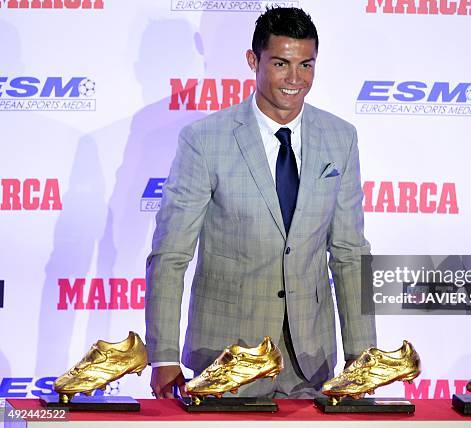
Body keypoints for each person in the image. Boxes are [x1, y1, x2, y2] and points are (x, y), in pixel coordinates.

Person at [145, 7, 376, 399]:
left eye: (306, 65)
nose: (295, 79)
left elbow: (351, 254)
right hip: (225, 360)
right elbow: (171, 253)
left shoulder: (342, 138)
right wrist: (163, 356)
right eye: (281, 63)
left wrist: (362, 355)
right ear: (253, 60)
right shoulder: (205, 140)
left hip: (312, 363)